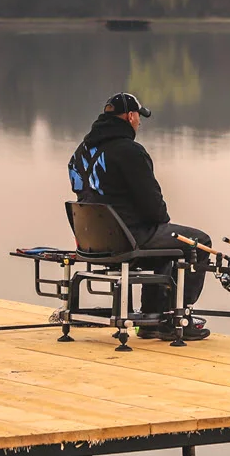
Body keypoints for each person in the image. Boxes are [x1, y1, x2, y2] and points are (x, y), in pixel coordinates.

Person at [68, 92, 211, 340]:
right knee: (199, 243)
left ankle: (151, 321)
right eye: (138, 118)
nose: (139, 123)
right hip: (128, 238)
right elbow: (153, 205)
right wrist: (161, 222)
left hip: (92, 242)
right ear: (130, 116)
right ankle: (178, 318)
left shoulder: (80, 153)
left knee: (167, 244)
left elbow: (83, 193)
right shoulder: (130, 151)